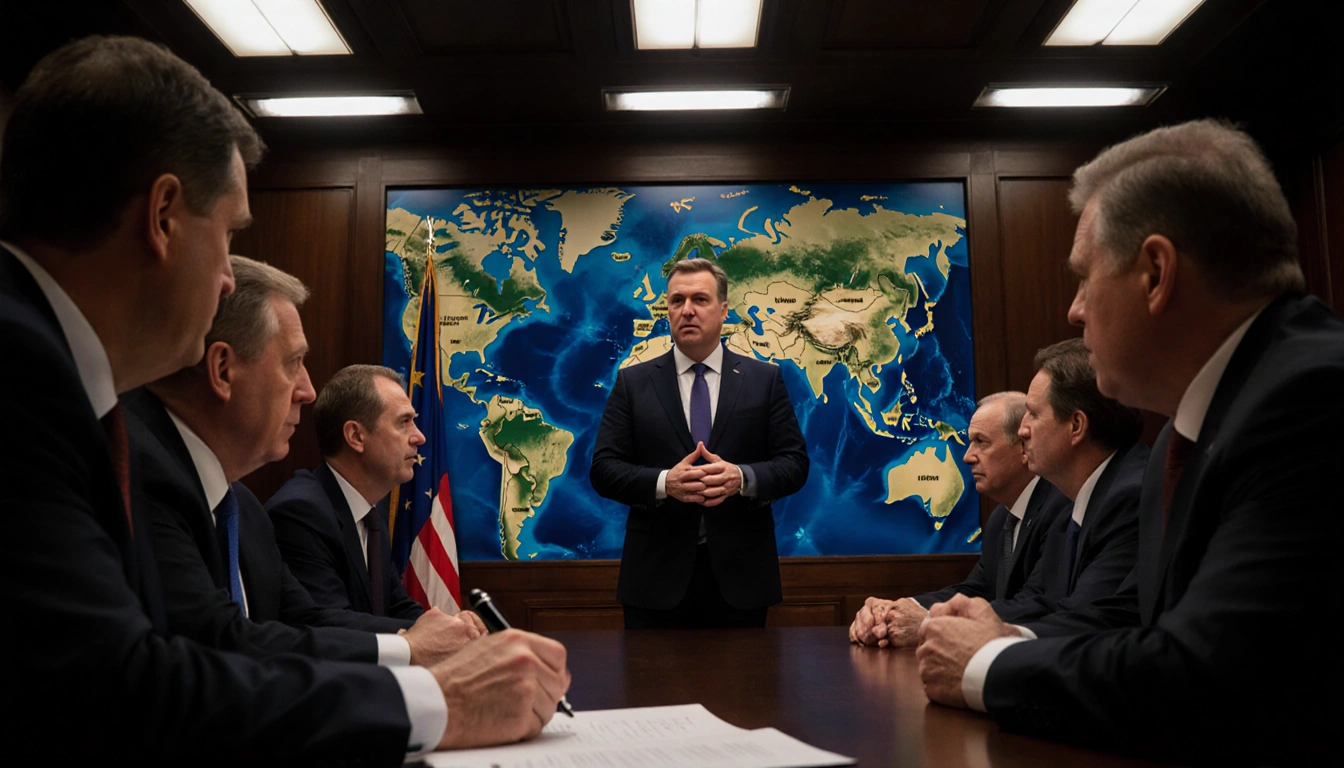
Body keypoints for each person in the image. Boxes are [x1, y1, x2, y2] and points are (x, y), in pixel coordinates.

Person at [0, 35, 566, 764]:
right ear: (164, 215)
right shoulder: (22, 375)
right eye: (231, 231)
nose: (230, 281)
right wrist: (439, 703)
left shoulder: (58, 377)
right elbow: (114, 685)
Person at [915, 119, 1340, 763]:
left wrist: (988, 664)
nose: (1074, 310)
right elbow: (1141, 630)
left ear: (1155, 273)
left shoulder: (1311, 401)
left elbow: (1207, 680)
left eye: (1085, 277)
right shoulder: (1194, 427)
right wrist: (1005, 634)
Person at [125, 256, 483, 666]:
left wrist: (445, 638)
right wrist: (410, 650)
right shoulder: (138, 475)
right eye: (294, 363)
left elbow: (304, 621)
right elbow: (219, 644)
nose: (308, 391)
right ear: (223, 369)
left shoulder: (244, 508)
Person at [590, 257, 809, 628]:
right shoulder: (633, 383)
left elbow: (794, 464)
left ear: (723, 310)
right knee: (649, 688)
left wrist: (741, 478)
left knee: (746, 687)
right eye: (677, 301)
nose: (687, 310)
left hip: (743, 581)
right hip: (654, 582)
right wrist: (664, 484)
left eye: (700, 300)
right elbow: (604, 469)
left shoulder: (763, 380)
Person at [849, 391, 1070, 647]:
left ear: (1023, 447)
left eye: (981, 442)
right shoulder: (1001, 518)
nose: (967, 456)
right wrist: (897, 611)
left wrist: (928, 621)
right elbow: (977, 590)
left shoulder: (1060, 507)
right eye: (969, 442)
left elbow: (1037, 604)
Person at [987, 338, 1147, 628]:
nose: (1021, 430)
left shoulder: (1129, 499)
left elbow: (1089, 622)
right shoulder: (1070, 502)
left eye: (1033, 414)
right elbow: (1042, 602)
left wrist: (984, 639)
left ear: (1076, 426)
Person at [268, 364, 431, 621]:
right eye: (404, 422)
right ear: (356, 436)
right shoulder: (300, 514)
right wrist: (433, 638)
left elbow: (397, 607)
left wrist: (454, 630)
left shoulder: (369, 512)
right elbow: (331, 626)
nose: (419, 437)